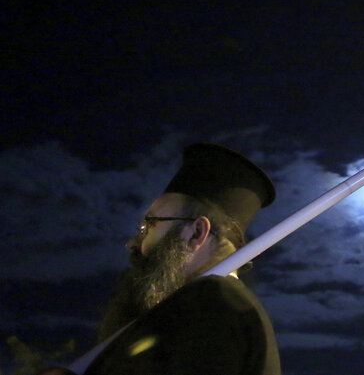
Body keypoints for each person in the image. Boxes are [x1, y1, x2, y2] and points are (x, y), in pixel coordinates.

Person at [41, 143, 281, 375]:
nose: (133, 242)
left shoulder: (208, 307)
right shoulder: (217, 307)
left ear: (196, 233)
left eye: (149, 225)